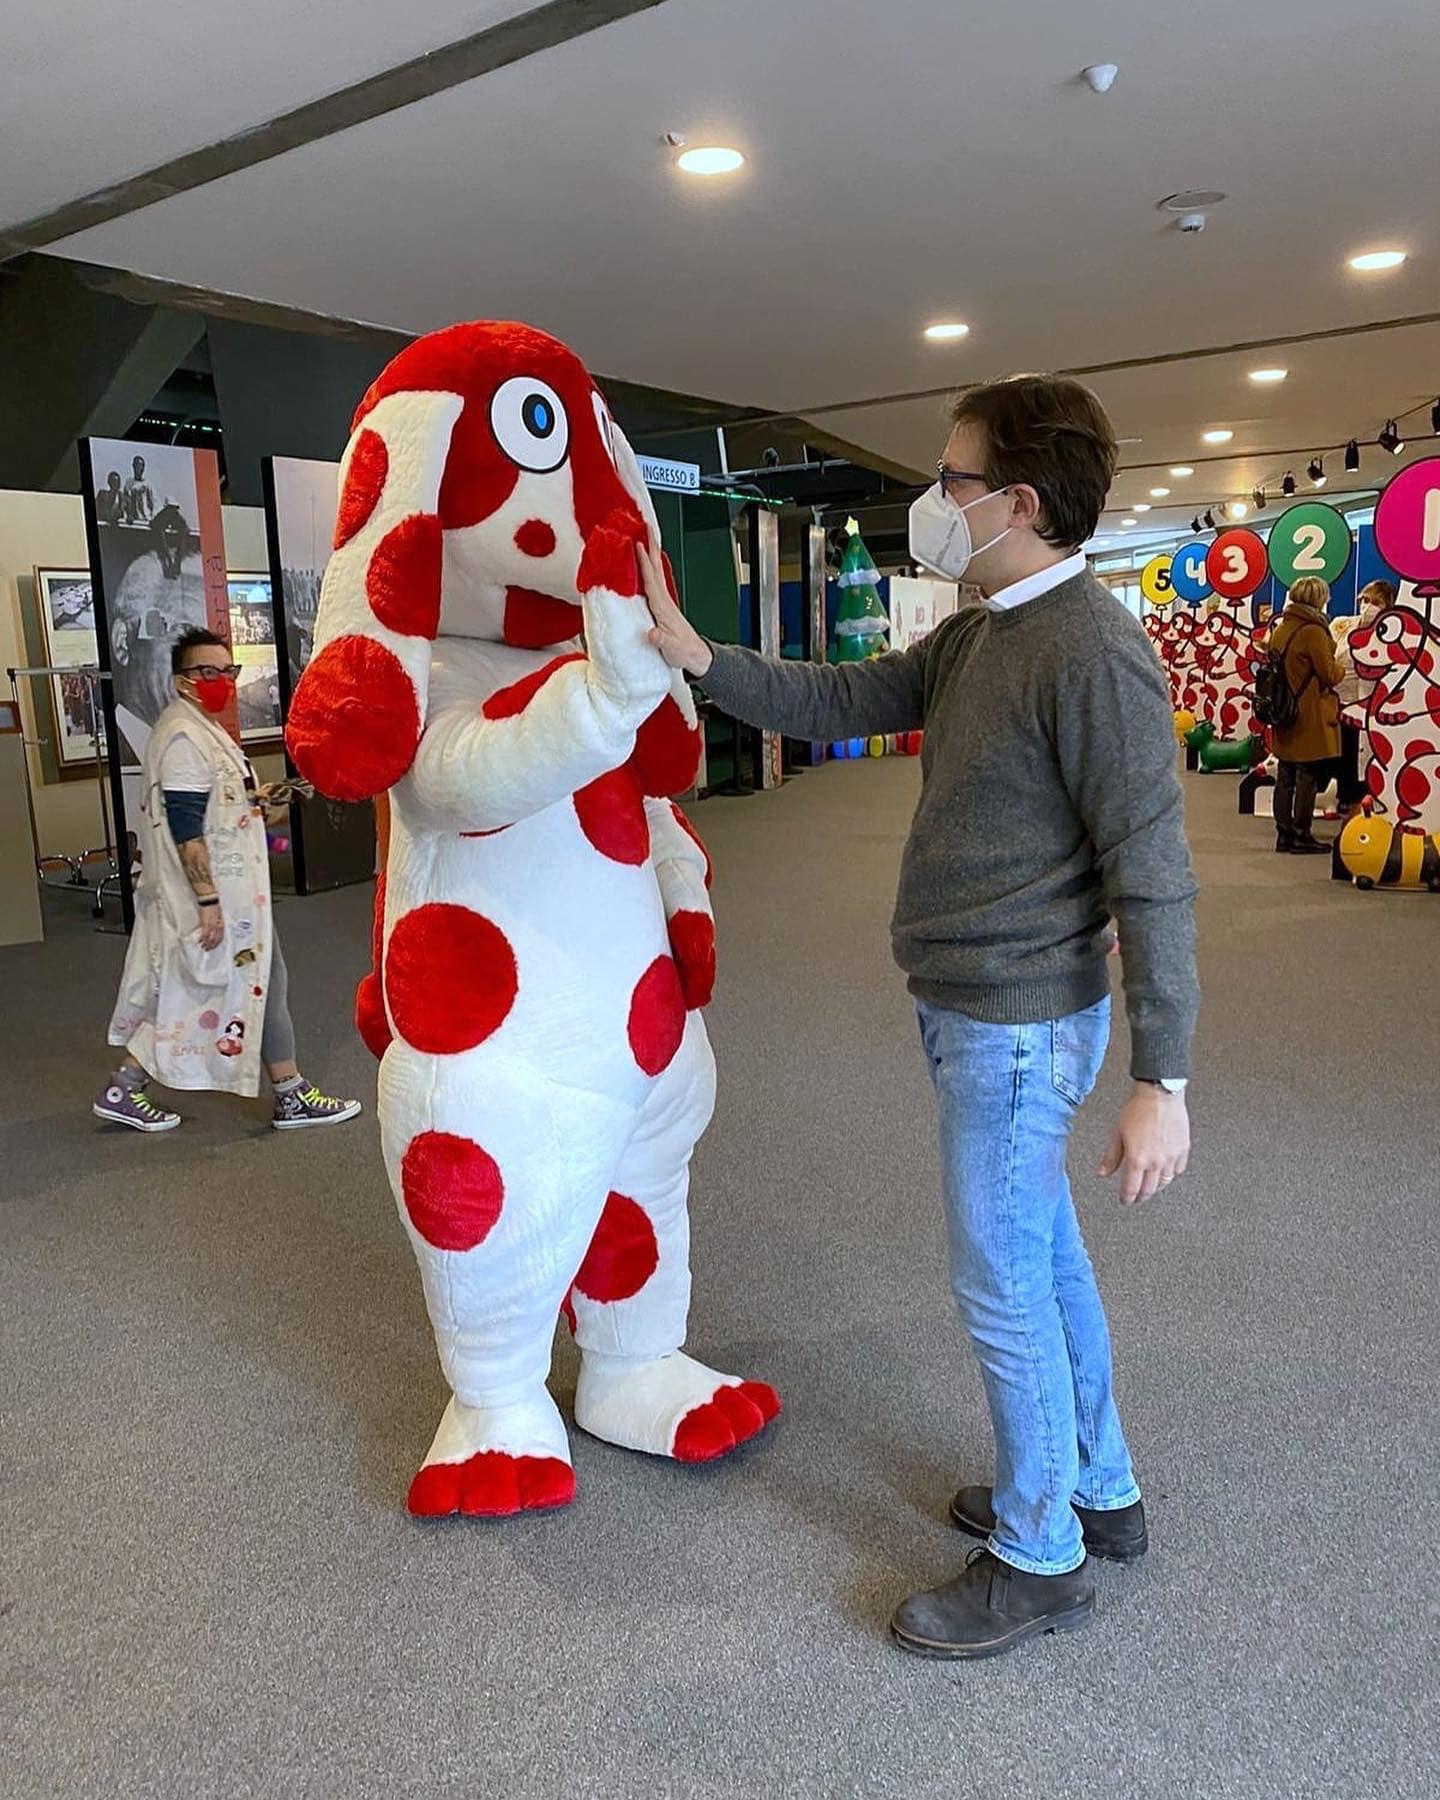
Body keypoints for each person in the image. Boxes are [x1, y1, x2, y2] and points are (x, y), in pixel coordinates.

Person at [643, 373, 1198, 1661]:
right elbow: (845, 702)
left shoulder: (1091, 650)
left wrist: (1163, 1076)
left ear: (1016, 500)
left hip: (1016, 1027)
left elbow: (1153, 868)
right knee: (1045, 1257)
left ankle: (1042, 1553)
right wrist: (699, 657)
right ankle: (1093, 1489)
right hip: (976, 1012)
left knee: (1001, 1284)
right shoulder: (979, 632)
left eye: (950, 478)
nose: (931, 499)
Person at [94, 626, 360, 1134]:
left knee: (227, 984)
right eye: (206, 671)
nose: (220, 681)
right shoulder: (182, 739)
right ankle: (286, 1093)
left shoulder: (206, 733)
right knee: (198, 990)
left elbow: (229, 812)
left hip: (237, 899)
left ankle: (283, 1091)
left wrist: (270, 802)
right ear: (181, 681)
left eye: (227, 671)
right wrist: (208, 902)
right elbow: (186, 826)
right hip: (211, 901)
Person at [1268, 575, 1344, 853]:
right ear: (1318, 599)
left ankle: (1284, 833)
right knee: (1307, 776)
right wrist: (1342, 665)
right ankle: (1302, 834)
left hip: (1284, 709)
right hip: (1308, 713)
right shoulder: (1314, 631)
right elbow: (1329, 674)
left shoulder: (1282, 628)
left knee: (1285, 774)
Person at [1333, 580, 1394, 822]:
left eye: (1375, 602)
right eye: (1365, 600)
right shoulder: (1342, 625)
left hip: (1374, 706)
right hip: (1343, 702)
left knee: (1369, 756)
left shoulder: (1391, 632)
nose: (1368, 606)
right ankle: (1345, 800)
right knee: (1345, 755)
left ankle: (1367, 803)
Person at [122, 454, 155, 525]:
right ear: (133, 466)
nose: (139, 468)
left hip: (146, 519)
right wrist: (128, 514)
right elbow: (125, 501)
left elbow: (151, 502)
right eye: (137, 466)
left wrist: (152, 516)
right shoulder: (128, 483)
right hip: (133, 519)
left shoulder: (147, 484)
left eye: (141, 466)